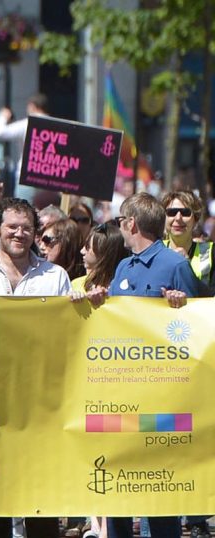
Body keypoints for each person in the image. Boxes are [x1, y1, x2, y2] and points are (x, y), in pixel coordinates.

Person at [80, 193, 201, 538]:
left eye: (121, 221)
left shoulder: (174, 266)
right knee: (119, 488)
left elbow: (198, 324)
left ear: (131, 224)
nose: (120, 226)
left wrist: (182, 304)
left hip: (162, 399)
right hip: (123, 395)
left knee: (158, 493)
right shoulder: (123, 266)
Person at [0, 196, 70, 538]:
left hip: (39, 400)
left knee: (40, 496)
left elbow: (70, 332)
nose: (19, 234)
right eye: (12, 227)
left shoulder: (56, 276)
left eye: (27, 228)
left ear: (36, 232)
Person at [162, 190, 213, 295]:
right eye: (172, 212)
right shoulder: (153, 251)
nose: (178, 218)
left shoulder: (211, 252)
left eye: (185, 213)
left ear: (195, 219)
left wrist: (186, 268)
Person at [69, 220, 127, 295]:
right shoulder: (76, 285)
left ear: (104, 252)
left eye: (88, 247)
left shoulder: (124, 289)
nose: (82, 251)